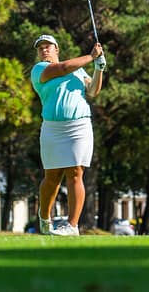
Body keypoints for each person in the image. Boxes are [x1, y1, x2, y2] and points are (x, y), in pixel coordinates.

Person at [30, 34, 105, 236]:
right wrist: (91, 56)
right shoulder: (40, 70)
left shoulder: (78, 70)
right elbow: (62, 69)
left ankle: (72, 226)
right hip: (53, 128)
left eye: (48, 46)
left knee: (75, 173)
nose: (44, 50)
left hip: (79, 126)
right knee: (52, 178)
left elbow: (92, 90)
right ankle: (44, 218)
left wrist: (99, 68)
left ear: (57, 49)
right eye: (40, 48)